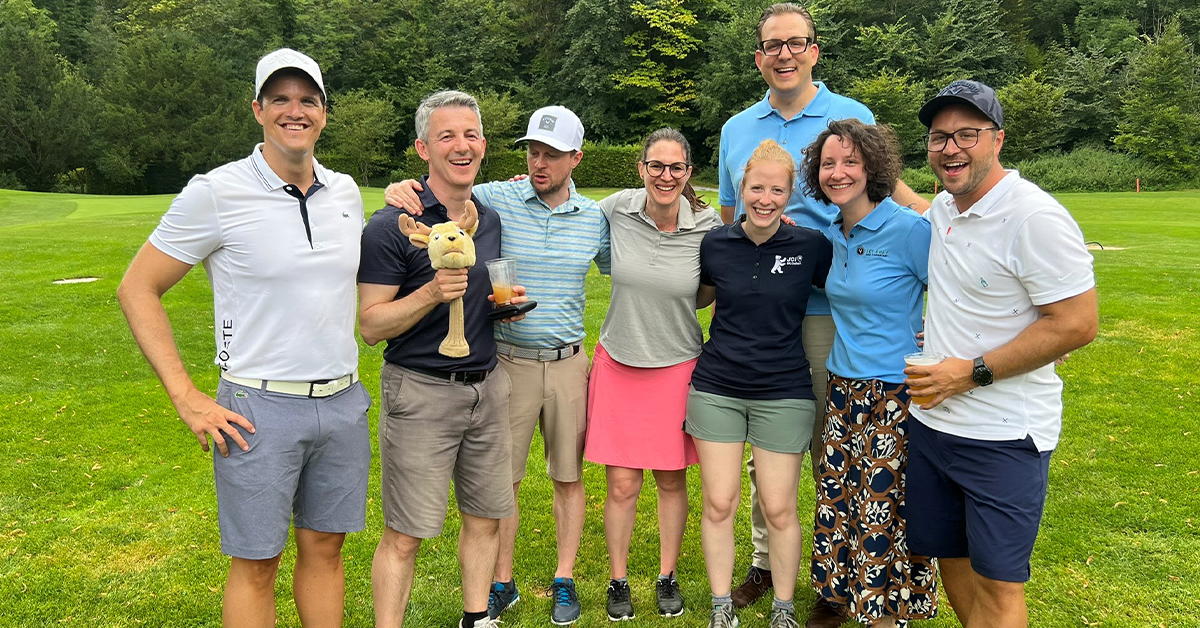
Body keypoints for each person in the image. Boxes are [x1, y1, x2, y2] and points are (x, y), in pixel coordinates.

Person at [116, 48, 370, 628]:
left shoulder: (346, 191)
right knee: (258, 563)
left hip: (342, 402)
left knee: (326, 549)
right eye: (279, 98)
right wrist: (186, 395)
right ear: (258, 109)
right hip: (257, 407)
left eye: (307, 99)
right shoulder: (216, 191)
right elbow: (137, 288)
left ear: (324, 113)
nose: (294, 110)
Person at [715, 4, 931, 608]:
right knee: (771, 448)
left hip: (830, 309)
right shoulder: (737, 129)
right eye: (771, 45)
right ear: (758, 56)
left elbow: (891, 198)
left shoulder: (850, 114)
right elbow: (732, 219)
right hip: (762, 313)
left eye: (796, 42)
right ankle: (765, 561)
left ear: (814, 50)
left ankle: (838, 580)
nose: (784, 54)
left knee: (831, 452)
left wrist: (958, 217)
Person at [382, 105, 610, 625]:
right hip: (506, 361)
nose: (539, 162)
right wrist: (404, 188)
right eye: (533, 151)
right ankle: (500, 583)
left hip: (570, 360)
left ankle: (564, 578)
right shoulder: (495, 196)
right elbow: (441, 187)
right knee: (498, 483)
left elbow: (629, 264)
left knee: (568, 477)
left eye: (552, 154)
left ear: (576, 158)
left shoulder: (595, 218)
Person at [904, 80, 1099, 628]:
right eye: (940, 137)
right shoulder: (944, 209)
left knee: (999, 580)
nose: (951, 148)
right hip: (934, 424)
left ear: (998, 139)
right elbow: (910, 201)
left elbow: (1078, 324)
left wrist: (971, 371)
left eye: (968, 134)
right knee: (952, 558)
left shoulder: (1034, 217)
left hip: (1004, 436)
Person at [358, 90, 527, 628]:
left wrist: (502, 310)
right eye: (447, 136)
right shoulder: (392, 224)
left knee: (485, 518)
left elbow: (477, 300)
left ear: (484, 144)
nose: (462, 146)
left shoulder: (489, 218)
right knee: (405, 534)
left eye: (471, 134)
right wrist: (431, 292)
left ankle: (477, 618)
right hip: (421, 392)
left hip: (488, 386)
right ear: (423, 148)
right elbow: (370, 325)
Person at [686, 139, 832, 628]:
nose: (765, 198)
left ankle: (784, 609)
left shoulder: (811, 245)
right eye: (756, 187)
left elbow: (856, 292)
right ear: (741, 188)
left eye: (776, 190)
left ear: (790, 195)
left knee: (778, 506)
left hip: (784, 390)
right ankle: (721, 605)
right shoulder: (716, 242)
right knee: (720, 501)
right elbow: (703, 295)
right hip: (718, 387)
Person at [799, 119, 938, 628]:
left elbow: (958, 287)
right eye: (828, 163)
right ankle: (844, 595)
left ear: (874, 167)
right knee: (841, 500)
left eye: (850, 161)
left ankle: (885, 614)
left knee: (883, 507)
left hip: (894, 394)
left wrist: (945, 337)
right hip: (842, 389)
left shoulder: (909, 229)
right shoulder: (833, 234)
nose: (838, 172)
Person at [584, 127, 722, 621]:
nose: (666, 176)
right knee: (621, 484)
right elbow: (558, 198)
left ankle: (667, 575)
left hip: (678, 365)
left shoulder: (707, 226)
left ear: (689, 173)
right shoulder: (616, 207)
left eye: (676, 168)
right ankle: (618, 580)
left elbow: (741, 254)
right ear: (641, 169)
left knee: (669, 480)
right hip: (620, 361)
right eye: (656, 166)